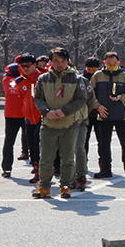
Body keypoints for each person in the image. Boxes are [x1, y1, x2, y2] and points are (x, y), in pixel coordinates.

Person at [31, 47, 88, 199]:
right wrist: (46, 111)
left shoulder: (76, 79)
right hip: (48, 124)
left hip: (69, 125)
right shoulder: (43, 79)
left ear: (68, 61)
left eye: (63, 61)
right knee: (45, 158)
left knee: (67, 158)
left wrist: (64, 111)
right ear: (51, 62)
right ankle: (44, 187)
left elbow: (81, 99)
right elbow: (37, 98)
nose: (60, 64)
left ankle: (65, 186)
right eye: (56, 60)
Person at [91, 52, 125, 179]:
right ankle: (105, 169)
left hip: (121, 116)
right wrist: (98, 106)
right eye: (109, 63)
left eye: (114, 63)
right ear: (104, 63)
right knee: (104, 144)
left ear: (119, 62)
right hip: (104, 115)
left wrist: (121, 97)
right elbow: (90, 94)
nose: (112, 66)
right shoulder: (97, 76)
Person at [71, 69, 105, 192]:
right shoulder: (51, 80)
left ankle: (81, 175)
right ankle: (68, 178)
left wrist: (84, 113)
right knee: (66, 150)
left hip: (81, 120)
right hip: (62, 122)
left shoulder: (83, 81)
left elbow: (91, 100)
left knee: (80, 147)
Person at [16, 56, 43, 183]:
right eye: (22, 66)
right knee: (32, 144)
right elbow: (22, 98)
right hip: (28, 118)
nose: (25, 69)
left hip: (43, 117)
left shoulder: (43, 78)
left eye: (27, 65)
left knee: (39, 142)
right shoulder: (19, 81)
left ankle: (46, 169)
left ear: (34, 65)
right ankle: (36, 167)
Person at [0, 57, 28, 178]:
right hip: (25, 113)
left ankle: (6, 168)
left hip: (10, 114)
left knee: (8, 142)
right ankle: (36, 166)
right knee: (32, 141)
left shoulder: (6, 79)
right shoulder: (24, 81)